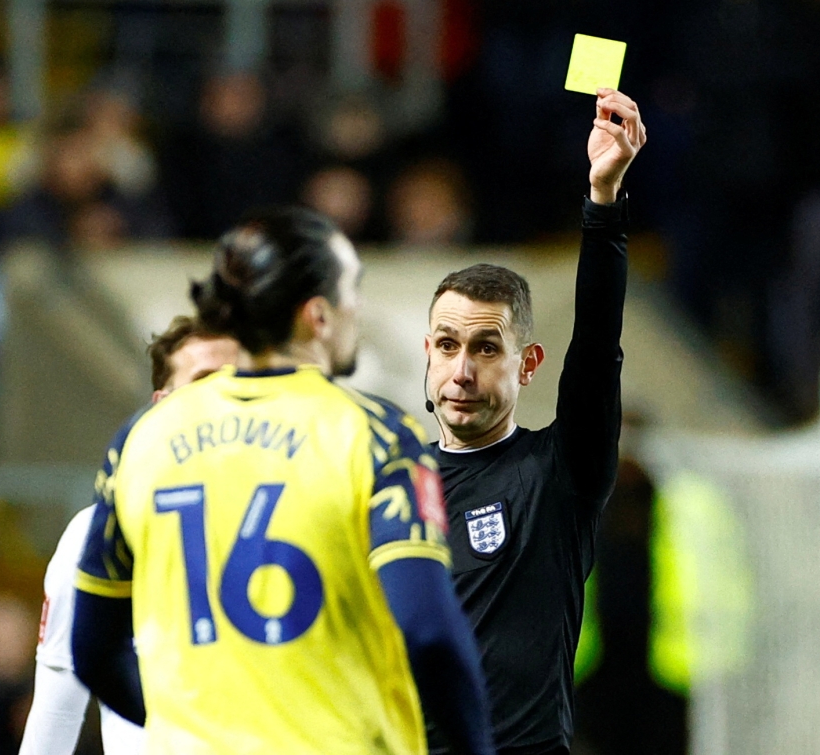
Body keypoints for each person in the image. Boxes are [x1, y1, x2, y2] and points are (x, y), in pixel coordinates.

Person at [71, 207, 495, 755]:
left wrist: (191, 729)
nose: (356, 310)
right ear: (317, 315)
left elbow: (92, 650)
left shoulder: (140, 440)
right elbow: (429, 631)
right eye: (352, 291)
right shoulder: (378, 437)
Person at [422, 88, 646, 755]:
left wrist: (603, 204)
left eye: (486, 347)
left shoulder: (557, 472)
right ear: (427, 352)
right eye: (446, 344)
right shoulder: (387, 483)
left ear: (527, 365)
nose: (462, 369)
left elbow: (598, 348)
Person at [19, 317, 238, 755]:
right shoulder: (94, 535)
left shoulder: (306, 519)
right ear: (159, 406)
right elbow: (58, 709)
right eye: (202, 382)